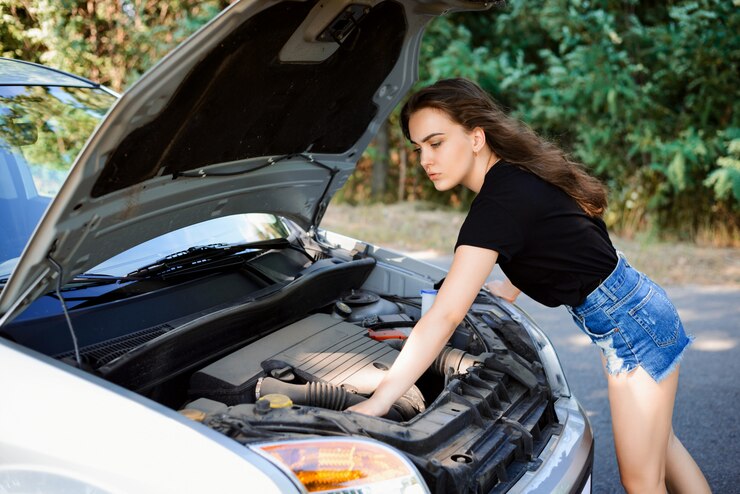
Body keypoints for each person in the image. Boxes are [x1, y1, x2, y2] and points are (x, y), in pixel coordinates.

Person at [346, 78, 710, 493]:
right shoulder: (516, 176)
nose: (425, 159)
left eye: (436, 143)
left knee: (642, 481)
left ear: (476, 137)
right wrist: (510, 287)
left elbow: (446, 314)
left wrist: (383, 397)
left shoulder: (498, 202)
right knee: (664, 447)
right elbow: (552, 236)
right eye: (419, 148)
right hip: (639, 310)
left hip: (632, 330)